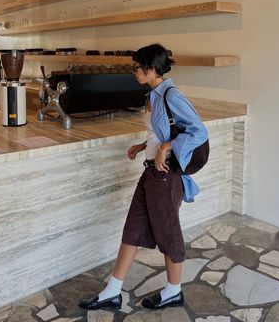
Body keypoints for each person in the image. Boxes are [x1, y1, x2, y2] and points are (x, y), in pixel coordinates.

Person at [78, 44, 208, 311]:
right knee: (133, 228)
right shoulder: (153, 96)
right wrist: (144, 146)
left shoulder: (172, 95)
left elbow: (199, 131)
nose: (133, 71)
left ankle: (174, 291)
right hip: (150, 172)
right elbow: (160, 131)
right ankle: (112, 291)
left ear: (151, 69)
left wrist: (165, 148)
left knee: (168, 233)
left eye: (136, 67)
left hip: (165, 176)